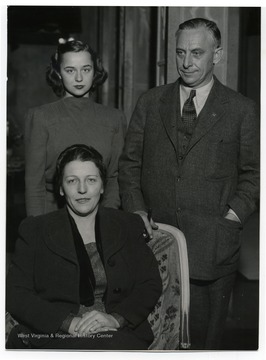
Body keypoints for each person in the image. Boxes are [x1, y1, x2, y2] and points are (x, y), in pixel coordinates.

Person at [119, 18, 259, 349]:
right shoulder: (150, 103)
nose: (186, 62)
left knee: (203, 344)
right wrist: (136, 211)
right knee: (150, 341)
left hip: (213, 247)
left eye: (197, 53)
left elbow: (254, 174)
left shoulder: (242, 110)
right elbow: (129, 165)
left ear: (218, 55)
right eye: (181, 52)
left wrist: (232, 218)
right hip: (154, 243)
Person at [6, 144, 162, 350]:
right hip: (55, 334)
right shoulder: (35, 229)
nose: (82, 189)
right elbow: (16, 292)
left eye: (91, 180)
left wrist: (115, 319)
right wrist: (68, 322)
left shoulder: (128, 225)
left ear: (103, 186)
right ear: (61, 188)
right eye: (72, 181)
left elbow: (149, 283)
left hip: (116, 333)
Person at [25, 39, 126, 216]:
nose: (79, 78)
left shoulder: (114, 118)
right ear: (58, 73)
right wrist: (37, 231)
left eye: (86, 69)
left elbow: (115, 177)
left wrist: (108, 221)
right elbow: (34, 184)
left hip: (100, 216)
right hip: (51, 218)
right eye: (70, 70)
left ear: (95, 72)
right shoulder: (40, 117)